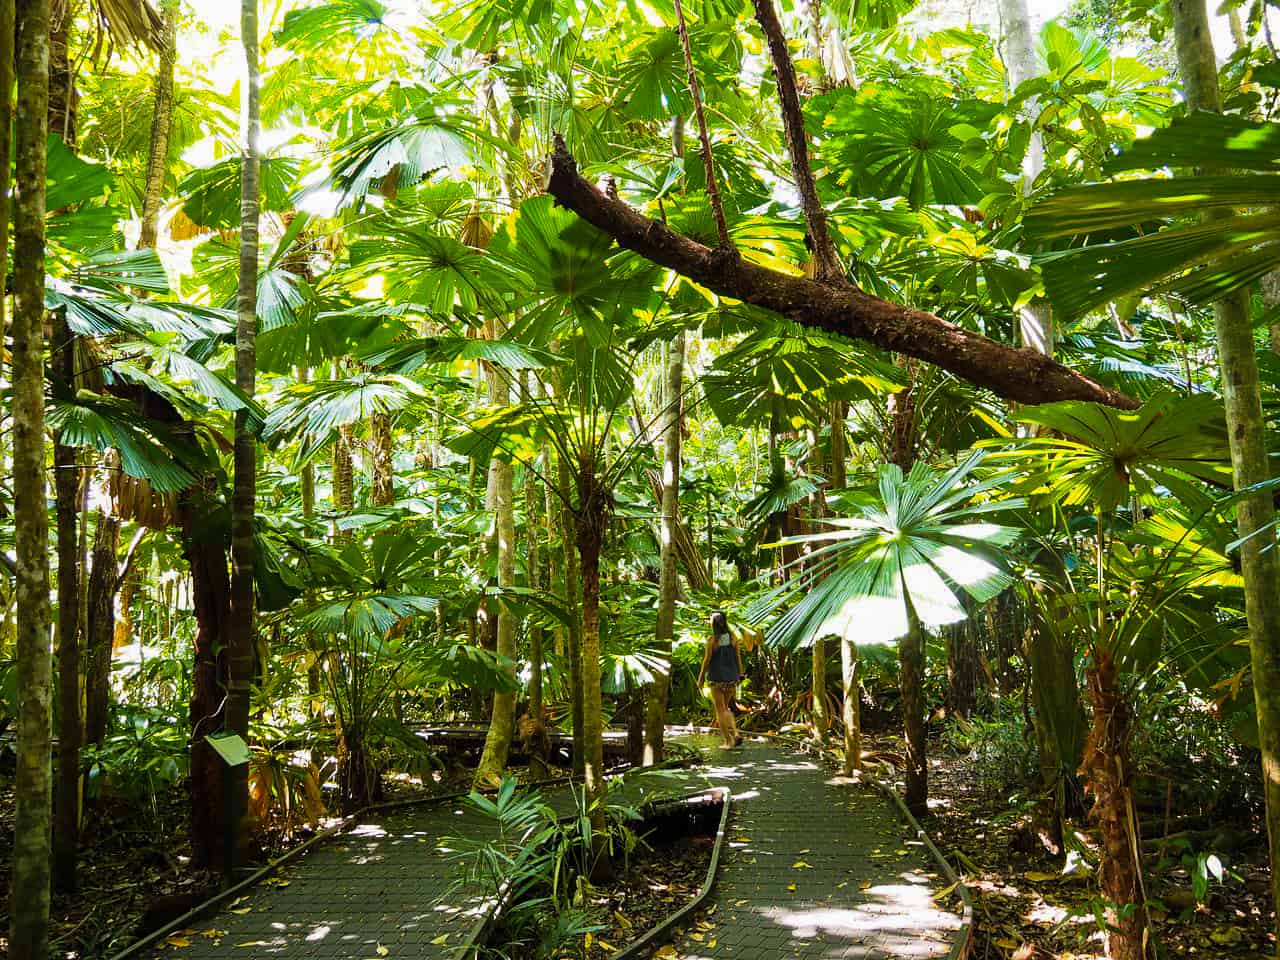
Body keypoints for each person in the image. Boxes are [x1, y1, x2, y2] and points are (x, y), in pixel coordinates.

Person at [697, 611, 743, 748]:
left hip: (716, 678)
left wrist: (700, 679)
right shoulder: (733, 638)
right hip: (731, 678)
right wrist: (740, 674)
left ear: (714, 624)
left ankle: (728, 741)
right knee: (725, 708)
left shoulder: (712, 641)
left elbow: (707, 661)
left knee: (720, 710)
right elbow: (738, 658)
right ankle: (735, 733)